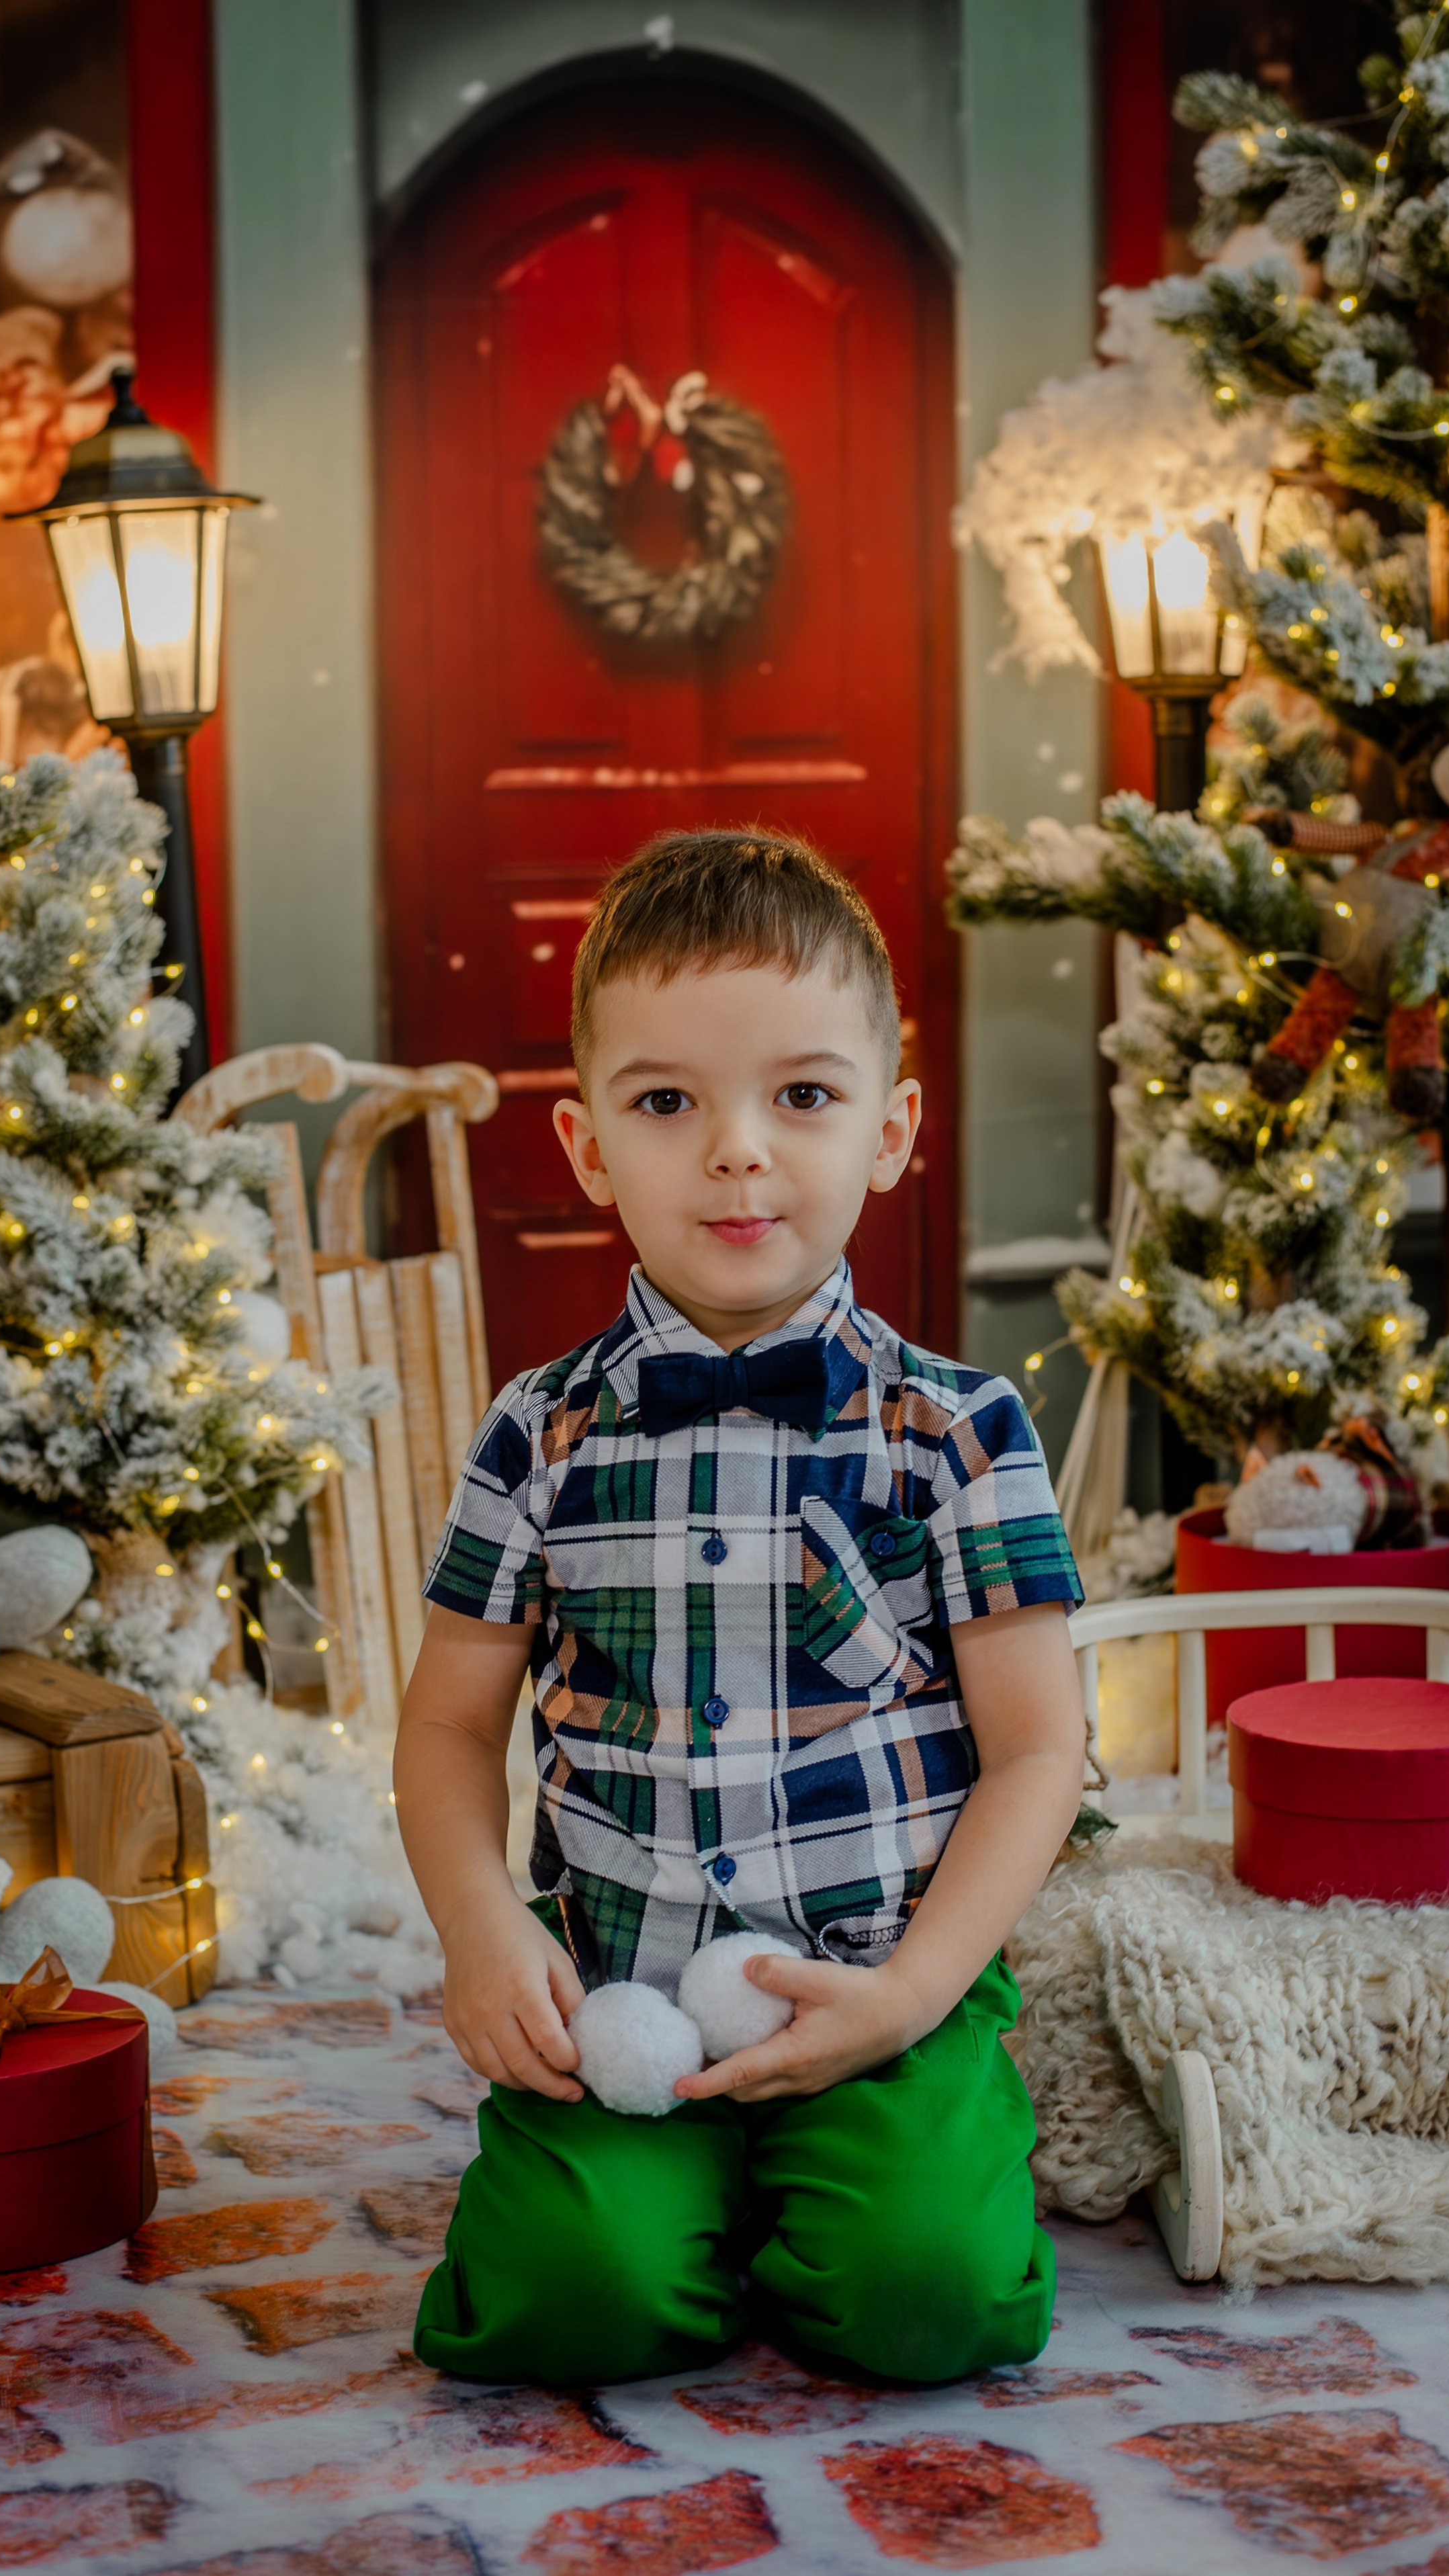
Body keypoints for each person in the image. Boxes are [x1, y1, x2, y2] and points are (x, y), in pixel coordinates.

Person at [395, 827, 1086, 2388]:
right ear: (584, 1148)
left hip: (873, 1980)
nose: (734, 1150)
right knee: (566, 2305)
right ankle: (678, 2216)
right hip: (624, 2000)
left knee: (932, 2301)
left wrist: (915, 1989)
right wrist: (484, 1932)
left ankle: (848, 2190)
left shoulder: (957, 1431)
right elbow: (446, 1726)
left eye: (801, 1095)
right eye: (664, 1102)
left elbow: (1040, 1750)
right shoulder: (538, 1432)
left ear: (891, 1128)